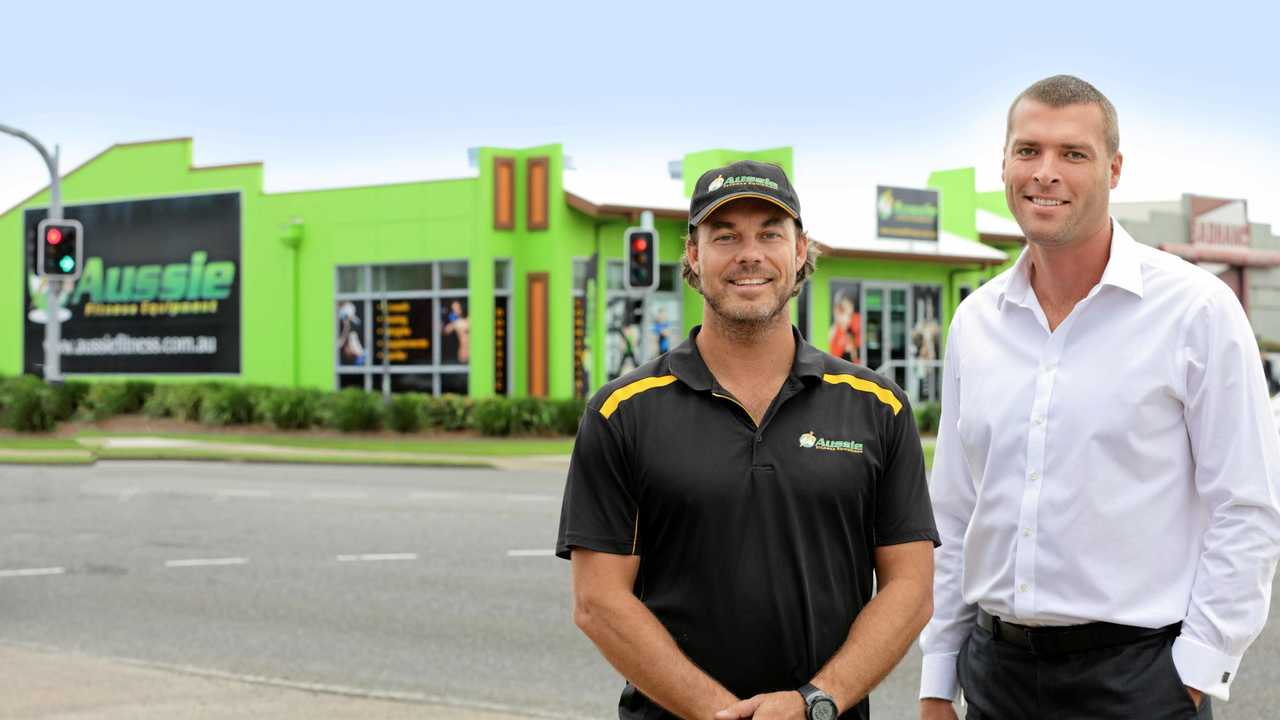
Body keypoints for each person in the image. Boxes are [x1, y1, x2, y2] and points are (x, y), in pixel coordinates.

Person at [918, 75, 1280, 720]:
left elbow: (1247, 506)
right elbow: (953, 511)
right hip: (993, 679)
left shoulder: (1196, 310)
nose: (1045, 173)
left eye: (1073, 154)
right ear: (1003, 163)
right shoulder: (976, 320)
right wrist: (938, 677)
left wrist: (1193, 674)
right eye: (1027, 150)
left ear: (1114, 169)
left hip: (1140, 682)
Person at [557, 159, 938, 720]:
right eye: (725, 235)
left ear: (801, 248)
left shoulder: (876, 407)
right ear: (692, 253)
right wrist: (721, 714)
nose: (749, 254)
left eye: (769, 233)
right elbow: (598, 602)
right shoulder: (621, 413)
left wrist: (813, 702)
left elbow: (910, 590)